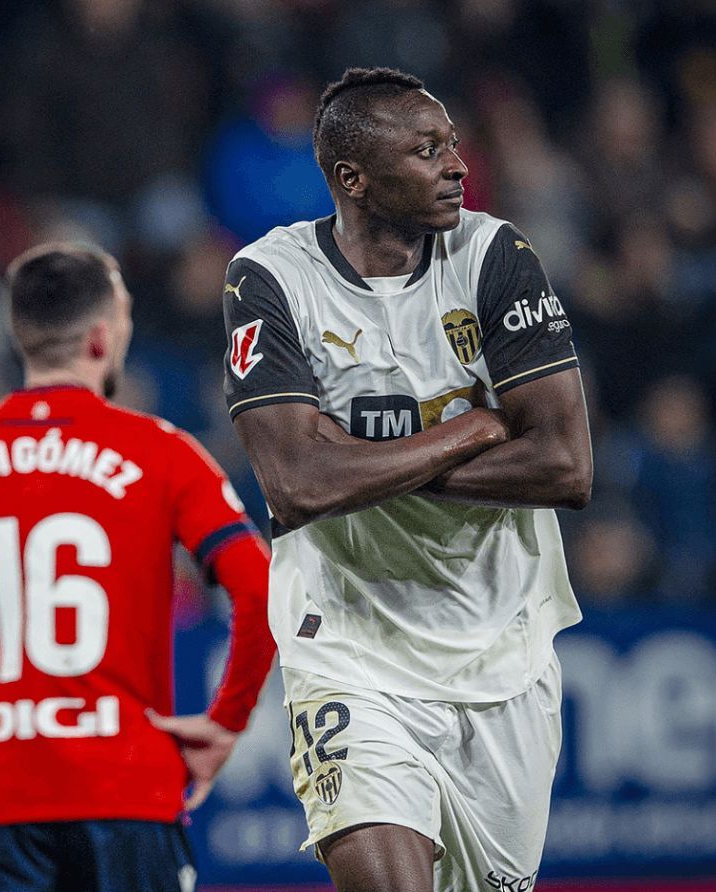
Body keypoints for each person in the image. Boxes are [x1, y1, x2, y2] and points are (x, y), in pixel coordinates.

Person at [221, 67, 592, 892]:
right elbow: (295, 483)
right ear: (352, 178)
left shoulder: (496, 256)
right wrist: (467, 429)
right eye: (428, 151)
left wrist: (356, 464)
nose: (457, 165)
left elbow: (565, 465)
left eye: (453, 143)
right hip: (347, 645)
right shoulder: (270, 278)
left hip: (500, 647)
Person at [0, 243, 275, 891]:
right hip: (128, 803)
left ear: (21, 336)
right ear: (100, 337)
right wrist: (226, 723)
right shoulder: (163, 453)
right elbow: (260, 589)